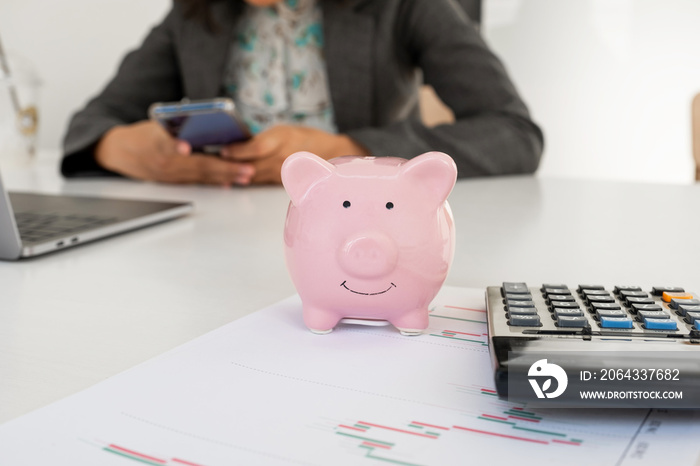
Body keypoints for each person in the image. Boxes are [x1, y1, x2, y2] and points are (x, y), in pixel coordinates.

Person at [61, 0, 544, 186]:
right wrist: (117, 147)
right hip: (210, 241)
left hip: (359, 228)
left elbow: (514, 133)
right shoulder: (193, 14)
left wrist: (347, 151)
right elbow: (94, 120)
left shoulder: (406, 6)